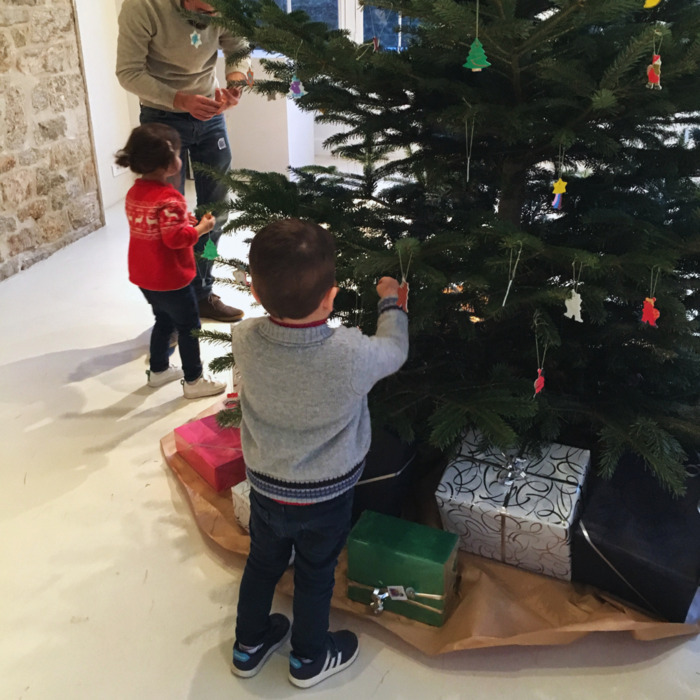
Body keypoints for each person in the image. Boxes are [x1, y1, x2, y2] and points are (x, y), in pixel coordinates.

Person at [229, 218, 409, 688]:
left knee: (263, 562)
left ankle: (248, 645)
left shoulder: (243, 339)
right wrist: (392, 302)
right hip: (327, 497)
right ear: (331, 296)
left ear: (253, 288)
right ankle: (309, 659)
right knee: (315, 572)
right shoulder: (349, 353)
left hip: (266, 486)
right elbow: (393, 350)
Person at [117, 0, 250, 323]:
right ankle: (172, 306)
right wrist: (180, 99)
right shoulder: (142, 7)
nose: (215, 17)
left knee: (216, 213)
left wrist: (234, 82)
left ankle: (201, 290)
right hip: (161, 115)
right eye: (207, 11)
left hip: (210, 116)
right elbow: (128, 72)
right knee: (167, 220)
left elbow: (239, 47)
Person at [116, 123, 227, 399]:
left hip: (145, 276)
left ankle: (159, 370)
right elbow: (176, 240)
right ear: (169, 163)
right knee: (189, 328)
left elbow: (156, 227)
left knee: (163, 320)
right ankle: (193, 380)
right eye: (178, 154)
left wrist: (181, 222)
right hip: (171, 278)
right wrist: (201, 228)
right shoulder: (170, 200)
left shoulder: (135, 193)